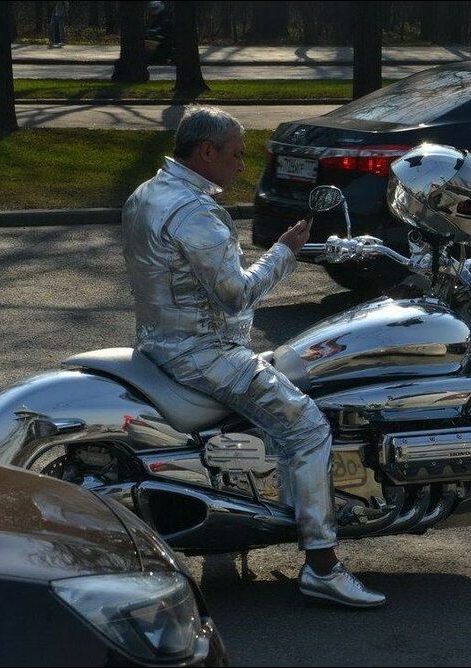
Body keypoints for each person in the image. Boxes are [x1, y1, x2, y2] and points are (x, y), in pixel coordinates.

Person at [122, 106, 386, 608]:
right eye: (237, 154)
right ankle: (323, 566)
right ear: (207, 151)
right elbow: (236, 295)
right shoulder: (195, 212)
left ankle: (263, 512)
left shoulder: (147, 193)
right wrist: (284, 253)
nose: (242, 165)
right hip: (203, 353)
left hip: (160, 342)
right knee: (307, 426)